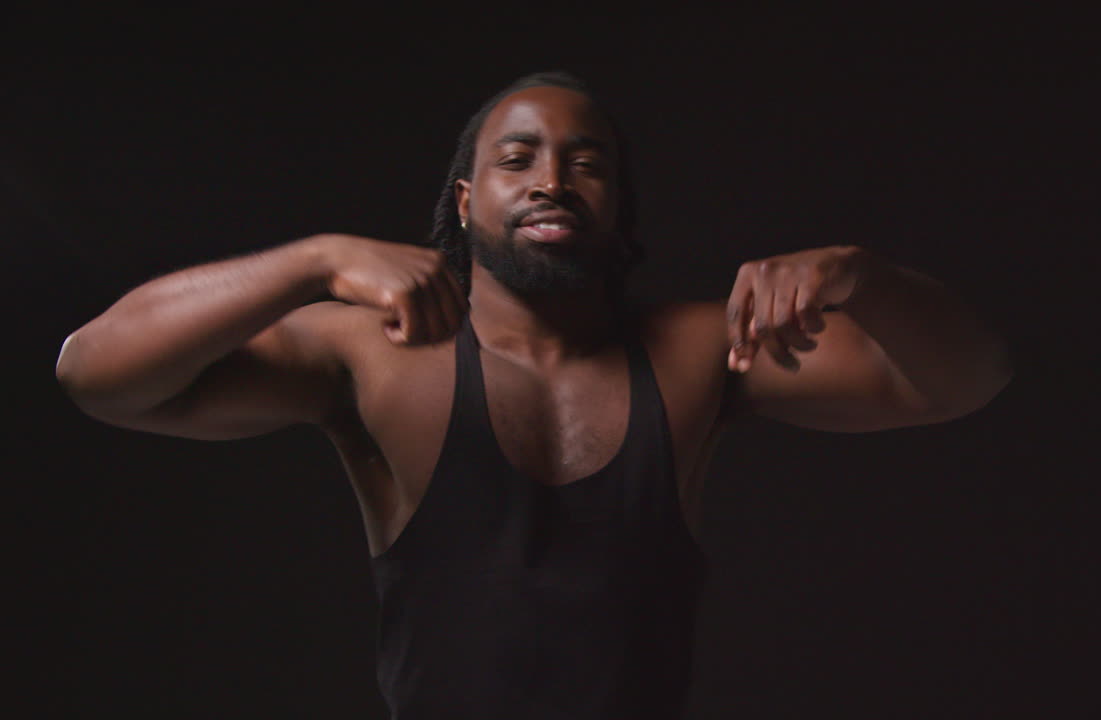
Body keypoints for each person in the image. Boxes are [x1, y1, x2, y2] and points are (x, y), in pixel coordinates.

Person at [55, 72, 1013, 719]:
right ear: (467, 202)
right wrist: (316, 259)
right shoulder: (380, 351)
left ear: (618, 201)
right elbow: (95, 371)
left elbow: (965, 379)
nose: (551, 180)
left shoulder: (701, 349)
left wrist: (860, 274)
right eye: (516, 160)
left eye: (584, 162)